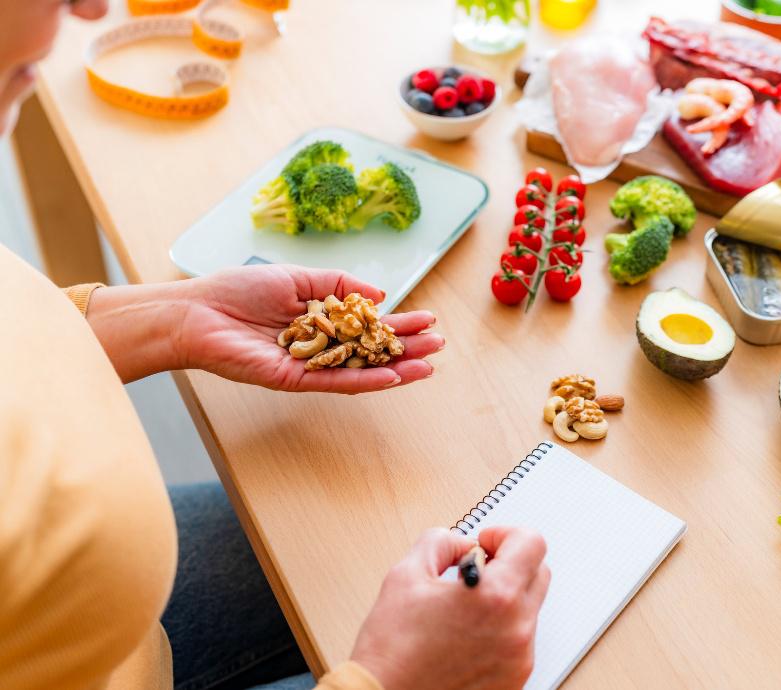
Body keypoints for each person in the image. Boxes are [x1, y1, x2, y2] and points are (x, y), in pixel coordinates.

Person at [0, 1, 550, 689]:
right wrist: (395, 679)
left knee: (355, 548)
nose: (92, 7)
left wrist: (178, 315)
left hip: (99, 617)